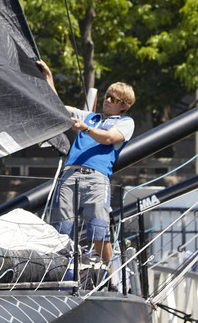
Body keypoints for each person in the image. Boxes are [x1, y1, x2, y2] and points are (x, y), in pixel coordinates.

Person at [37, 61, 135, 266]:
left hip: (96, 178)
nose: (107, 100)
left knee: (99, 231)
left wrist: (85, 128)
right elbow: (59, 108)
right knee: (61, 229)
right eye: (107, 95)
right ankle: (62, 275)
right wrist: (49, 78)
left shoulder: (125, 123)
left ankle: (111, 280)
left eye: (113, 98)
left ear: (124, 105)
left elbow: (109, 138)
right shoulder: (90, 117)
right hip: (69, 175)